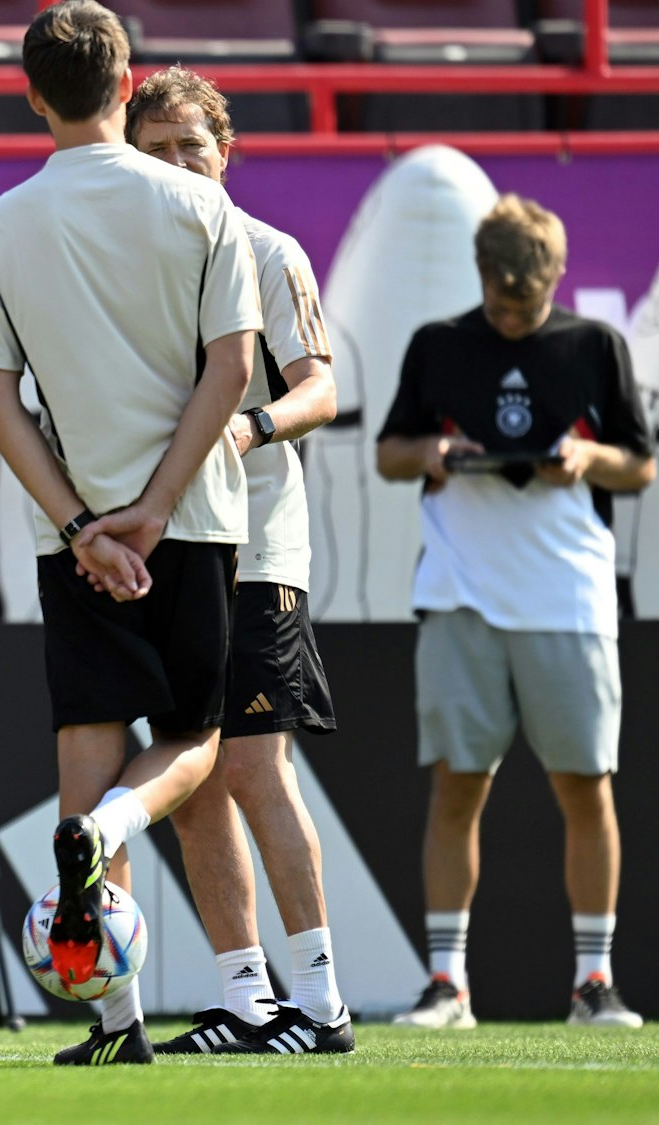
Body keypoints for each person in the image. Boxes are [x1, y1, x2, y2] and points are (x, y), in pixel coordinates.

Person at [0, 0, 262, 1065]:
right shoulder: (196, 204)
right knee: (190, 742)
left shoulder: (1, 222)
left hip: (76, 542)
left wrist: (84, 522)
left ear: (32, 94)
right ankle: (105, 837)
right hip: (191, 524)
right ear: (128, 83)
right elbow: (229, 369)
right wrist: (155, 506)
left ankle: (113, 1024)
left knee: (87, 752)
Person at [378, 194, 652, 1030]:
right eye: (498, 305)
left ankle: (594, 982)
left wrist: (588, 455)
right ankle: (446, 985)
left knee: (584, 785)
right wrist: (433, 452)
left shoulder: (595, 344)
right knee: (457, 786)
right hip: (460, 592)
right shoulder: (438, 345)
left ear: (555, 280)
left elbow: (639, 465)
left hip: (568, 596)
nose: (509, 318)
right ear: (479, 278)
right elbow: (391, 452)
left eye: (524, 306)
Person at [123, 68, 354, 1057]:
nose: (177, 166)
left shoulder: (266, 250)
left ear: (225, 156)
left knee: (254, 764)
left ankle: (320, 1003)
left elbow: (319, 390)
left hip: (256, 543)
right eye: (157, 149)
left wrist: (247, 429)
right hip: (161, 547)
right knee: (195, 781)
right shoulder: (116, 266)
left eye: (192, 148)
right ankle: (245, 1000)